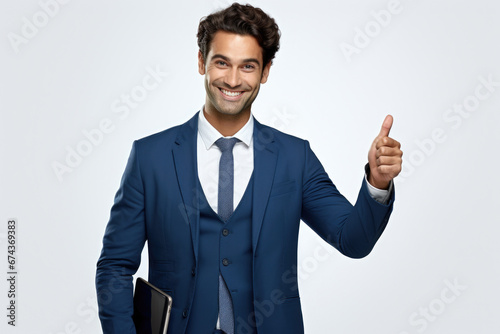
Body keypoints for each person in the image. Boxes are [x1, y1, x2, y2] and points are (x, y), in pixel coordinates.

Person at [95, 3, 403, 334]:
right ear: (202, 63)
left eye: (248, 66)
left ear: (265, 72)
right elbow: (114, 266)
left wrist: (377, 181)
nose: (232, 79)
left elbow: (352, 240)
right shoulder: (150, 157)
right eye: (221, 62)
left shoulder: (294, 157)